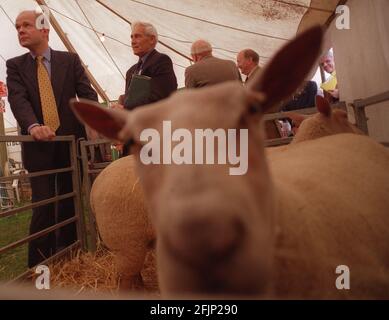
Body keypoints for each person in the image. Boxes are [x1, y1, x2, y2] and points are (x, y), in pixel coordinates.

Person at [6, 10, 98, 267]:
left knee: (69, 202)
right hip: (38, 148)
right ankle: (38, 265)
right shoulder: (15, 65)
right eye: (17, 27)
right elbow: (18, 100)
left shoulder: (70, 61)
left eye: (26, 25)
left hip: (71, 147)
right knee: (43, 206)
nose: (20, 30)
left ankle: (68, 258)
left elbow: (87, 95)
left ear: (44, 30)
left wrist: (94, 123)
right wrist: (33, 125)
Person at [120, 21, 177, 111]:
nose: (133, 42)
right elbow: (129, 100)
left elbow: (159, 97)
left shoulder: (161, 61)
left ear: (152, 39)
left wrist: (125, 109)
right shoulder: (130, 71)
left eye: (137, 36)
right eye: (132, 37)